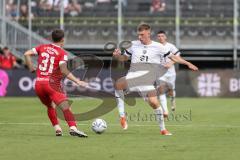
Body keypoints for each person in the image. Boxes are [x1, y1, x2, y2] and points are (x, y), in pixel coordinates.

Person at [113, 23, 198, 135]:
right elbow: (124, 58)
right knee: (118, 85)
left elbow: (174, 57)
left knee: (154, 103)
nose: (139, 37)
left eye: (142, 34)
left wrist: (188, 63)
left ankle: (163, 129)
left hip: (147, 81)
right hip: (133, 76)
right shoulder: (133, 44)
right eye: (138, 34)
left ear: (148, 33)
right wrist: (117, 56)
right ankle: (122, 116)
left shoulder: (159, 47)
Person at [24, 29, 88, 137]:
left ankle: (57, 129)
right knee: (65, 106)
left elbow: (26, 54)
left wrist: (30, 68)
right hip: (51, 84)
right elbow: (64, 70)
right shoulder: (62, 53)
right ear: (63, 40)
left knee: (50, 106)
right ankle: (73, 128)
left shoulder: (42, 47)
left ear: (51, 38)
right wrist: (77, 81)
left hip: (39, 84)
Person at [156, 30, 180, 117]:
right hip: (160, 73)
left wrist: (171, 63)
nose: (160, 38)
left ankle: (172, 100)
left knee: (171, 90)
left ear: (165, 37)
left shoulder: (171, 46)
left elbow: (178, 56)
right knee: (161, 90)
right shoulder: (155, 46)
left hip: (171, 73)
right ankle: (165, 111)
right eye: (159, 36)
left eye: (162, 36)